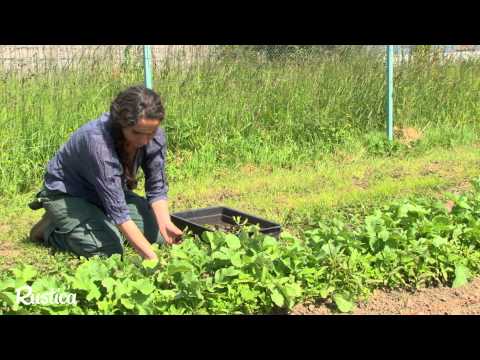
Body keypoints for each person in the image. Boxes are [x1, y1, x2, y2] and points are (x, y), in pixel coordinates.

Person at [28, 85, 183, 261]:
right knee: (108, 250)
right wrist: (152, 258)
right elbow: (118, 211)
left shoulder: (153, 134)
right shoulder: (98, 142)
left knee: (159, 237)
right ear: (121, 123)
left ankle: (96, 221)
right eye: (137, 133)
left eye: (151, 133)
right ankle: (51, 228)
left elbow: (156, 186)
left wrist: (165, 223)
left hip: (106, 194)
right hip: (68, 194)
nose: (144, 140)